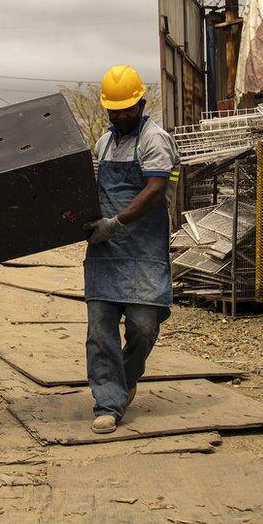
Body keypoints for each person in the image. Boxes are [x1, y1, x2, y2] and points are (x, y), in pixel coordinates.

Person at [83, 64, 180, 434]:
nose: (121, 115)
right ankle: (107, 402)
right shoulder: (104, 144)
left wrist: (116, 223)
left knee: (143, 327)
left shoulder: (155, 139)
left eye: (127, 108)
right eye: (115, 109)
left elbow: (155, 191)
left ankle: (124, 378)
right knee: (99, 330)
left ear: (140, 103)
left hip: (143, 249)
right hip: (105, 253)